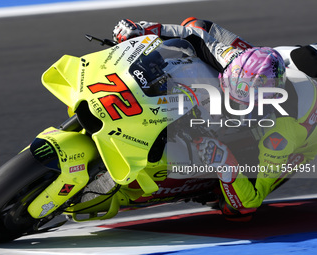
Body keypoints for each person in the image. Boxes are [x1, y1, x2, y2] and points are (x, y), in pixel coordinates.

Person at [112, 18, 317, 221]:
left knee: (234, 207)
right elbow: (194, 36)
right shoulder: (236, 60)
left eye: (242, 107)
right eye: (231, 98)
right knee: (196, 25)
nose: (232, 107)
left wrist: (223, 161)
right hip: (284, 62)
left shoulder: (282, 136)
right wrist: (145, 30)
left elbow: (250, 203)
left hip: (301, 141)